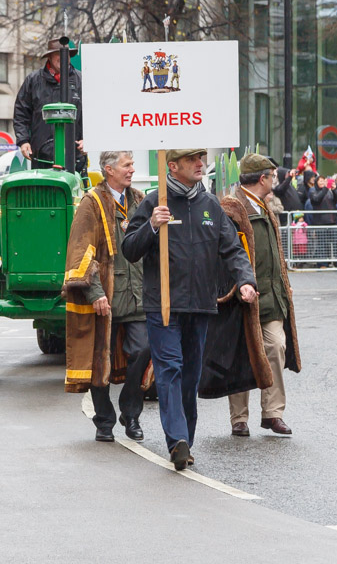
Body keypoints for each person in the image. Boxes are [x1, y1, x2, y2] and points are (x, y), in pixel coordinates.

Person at [121, 148, 257, 470]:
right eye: (193, 159)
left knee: (190, 377)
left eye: (202, 158)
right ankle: (177, 440)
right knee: (169, 370)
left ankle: (186, 442)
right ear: (173, 166)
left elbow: (232, 248)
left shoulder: (211, 205)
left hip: (200, 306)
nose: (200, 164)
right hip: (163, 306)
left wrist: (246, 279)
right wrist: (151, 226)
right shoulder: (155, 202)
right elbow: (130, 250)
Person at [204, 154, 301, 437]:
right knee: (242, 354)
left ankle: (273, 413)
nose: (274, 180)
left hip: (271, 296)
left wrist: (284, 282)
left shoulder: (263, 205)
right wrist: (235, 287)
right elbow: (225, 255)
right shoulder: (233, 208)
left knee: (276, 346)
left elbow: (273, 253)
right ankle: (239, 418)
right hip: (242, 295)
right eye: (271, 176)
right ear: (262, 179)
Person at [63, 151, 151, 443]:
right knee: (98, 359)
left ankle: (131, 412)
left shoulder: (139, 200)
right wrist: (95, 292)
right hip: (106, 298)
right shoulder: (91, 202)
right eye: (127, 165)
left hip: (137, 295)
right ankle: (104, 421)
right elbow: (80, 250)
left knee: (143, 349)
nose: (132, 170)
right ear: (109, 170)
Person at [14, 38, 87, 173]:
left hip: (76, 157)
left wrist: (88, 139)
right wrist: (23, 141)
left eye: (66, 54)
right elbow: (21, 114)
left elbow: (94, 113)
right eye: (58, 54)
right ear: (50, 57)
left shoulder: (82, 81)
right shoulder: (33, 81)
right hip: (42, 158)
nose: (63, 58)